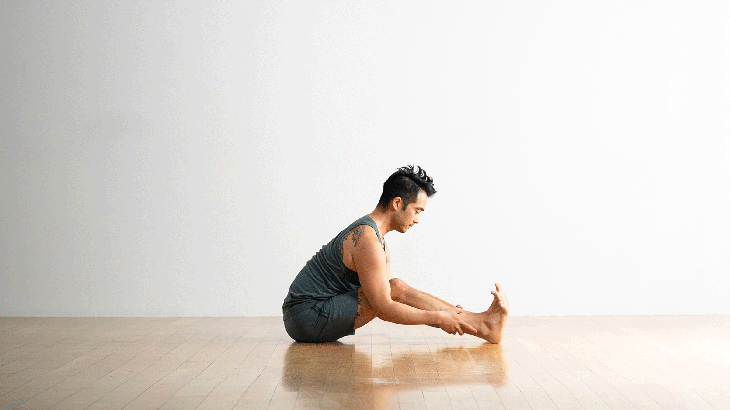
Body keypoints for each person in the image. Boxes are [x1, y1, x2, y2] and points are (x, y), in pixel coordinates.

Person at [282, 165, 509, 343]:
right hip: (304, 317)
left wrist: (450, 315)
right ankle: (483, 325)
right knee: (393, 290)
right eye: (417, 211)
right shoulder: (367, 239)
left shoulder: (376, 238)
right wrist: (440, 318)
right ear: (397, 203)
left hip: (314, 313)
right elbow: (384, 307)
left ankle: (483, 324)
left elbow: (393, 296)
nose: (418, 219)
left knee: (396, 286)